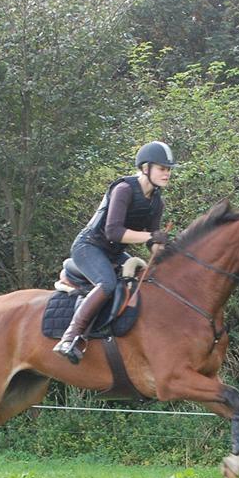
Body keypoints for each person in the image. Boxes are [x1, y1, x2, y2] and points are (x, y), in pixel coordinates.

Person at [53, 140, 177, 364]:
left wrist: (166, 250)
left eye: (168, 169)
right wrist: (150, 237)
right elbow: (113, 232)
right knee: (107, 284)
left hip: (113, 254)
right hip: (88, 247)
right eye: (162, 168)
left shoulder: (156, 203)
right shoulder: (124, 189)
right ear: (145, 168)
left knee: (143, 281)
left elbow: (152, 243)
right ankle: (69, 338)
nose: (167, 174)